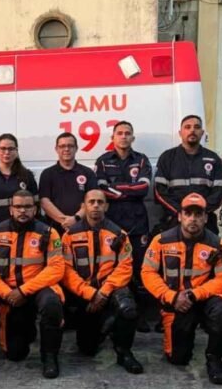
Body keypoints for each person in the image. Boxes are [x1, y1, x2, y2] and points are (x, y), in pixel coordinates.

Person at [141, 193, 222, 385]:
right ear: (180, 216)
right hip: (176, 303)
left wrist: (194, 294)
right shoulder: (160, 241)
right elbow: (148, 273)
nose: (193, 219)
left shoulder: (218, 244)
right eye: (188, 213)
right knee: (178, 358)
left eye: (198, 214)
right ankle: (186, 335)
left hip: (205, 300)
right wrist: (171, 296)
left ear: (205, 217)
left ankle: (214, 358)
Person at [0, 190, 65, 379]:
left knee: (52, 304)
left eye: (27, 206)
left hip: (38, 289)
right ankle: (18, 328)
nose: (23, 211)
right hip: (9, 293)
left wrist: (24, 291)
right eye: (18, 206)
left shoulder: (48, 233)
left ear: (35, 209)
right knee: (15, 354)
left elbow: (56, 269)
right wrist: (6, 293)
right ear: (11, 209)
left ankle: (50, 357)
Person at [61, 189, 143, 374]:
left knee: (127, 307)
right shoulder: (70, 235)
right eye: (91, 202)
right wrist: (90, 294)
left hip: (111, 290)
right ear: (84, 206)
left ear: (106, 206)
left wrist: (103, 292)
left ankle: (124, 353)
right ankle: (108, 326)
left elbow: (125, 267)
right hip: (84, 293)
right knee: (87, 349)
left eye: (100, 202)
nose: (96, 206)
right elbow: (66, 270)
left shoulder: (118, 234)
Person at [93, 121, 154, 332]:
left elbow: (144, 188)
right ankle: (113, 311)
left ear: (133, 138)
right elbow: (100, 189)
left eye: (128, 133)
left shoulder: (141, 159)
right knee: (111, 267)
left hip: (137, 222)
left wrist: (115, 189)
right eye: (120, 133)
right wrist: (127, 190)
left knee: (138, 268)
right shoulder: (102, 161)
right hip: (111, 223)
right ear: (113, 137)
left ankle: (139, 315)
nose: (124, 137)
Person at [154, 115, 222, 234]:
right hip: (174, 220)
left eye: (196, 127)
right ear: (180, 132)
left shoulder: (213, 159)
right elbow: (159, 191)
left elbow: (221, 191)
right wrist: (181, 213)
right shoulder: (167, 158)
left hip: (205, 222)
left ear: (202, 132)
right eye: (187, 127)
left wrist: (200, 213)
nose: (192, 130)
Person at [39, 132, 97, 233]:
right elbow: (45, 202)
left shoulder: (88, 173)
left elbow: (91, 201)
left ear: (76, 148)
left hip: (83, 228)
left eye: (70, 146)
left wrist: (75, 219)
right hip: (54, 230)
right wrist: (65, 221)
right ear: (56, 149)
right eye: (62, 146)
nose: (66, 149)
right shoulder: (47, 174)